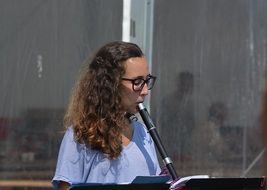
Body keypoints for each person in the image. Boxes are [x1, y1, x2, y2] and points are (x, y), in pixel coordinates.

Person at [52, 41, 161, 190]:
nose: (145, 91)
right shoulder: (80, 137)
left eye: (147, 81)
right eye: (137, 82)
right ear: (111, 84)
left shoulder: (144, 135)